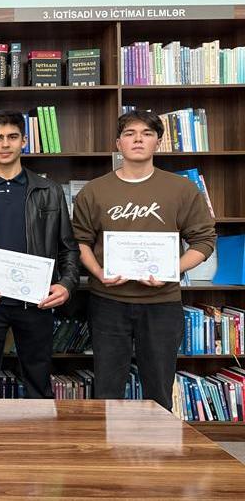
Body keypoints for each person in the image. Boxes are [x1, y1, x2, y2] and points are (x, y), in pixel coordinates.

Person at [72, 110, 216, 410]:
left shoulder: (182, 189)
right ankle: (109, 441)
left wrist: (171, 269)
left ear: (158, 142)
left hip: (162, 303)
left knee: (159, 389)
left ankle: (159, 441)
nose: (138, 139)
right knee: (108, 389)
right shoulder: (94, 191)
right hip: (108, 302)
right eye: (130, 133)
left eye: (147, 133)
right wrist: (98, 272)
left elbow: (204, 242)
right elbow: (80, 242)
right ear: (118, 143)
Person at [0, 110, 79, 398]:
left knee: (38, 385)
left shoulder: (49, 190)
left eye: (12, 137)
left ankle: (38, 430)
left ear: (24, 141)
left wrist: (67, 285)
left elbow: (68, 247)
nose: (5, 144)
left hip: (36, 303)